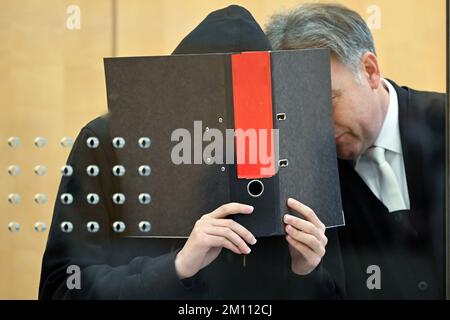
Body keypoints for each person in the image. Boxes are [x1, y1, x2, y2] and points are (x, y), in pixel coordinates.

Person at [39, 5, 345, 299]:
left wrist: (306, 272)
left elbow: (338, 291)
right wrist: (177, 267)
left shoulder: (300, 147)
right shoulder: (107, 144)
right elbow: (62, 287)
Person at [265, 3, 445, 299]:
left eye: (327, 101)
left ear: (370, 70)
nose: (316, 126)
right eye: (300, 112)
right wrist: (301, 271)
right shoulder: (298, 177)